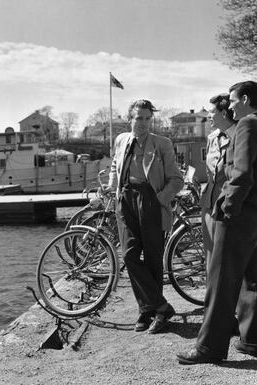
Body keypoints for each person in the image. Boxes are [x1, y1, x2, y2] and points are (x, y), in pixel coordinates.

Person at [177, 81, 257, 364]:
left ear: (245, 99)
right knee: (252, 281)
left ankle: (209, 348)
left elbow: (242, 172)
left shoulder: (247, 125)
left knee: (220, 282)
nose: (231, 105)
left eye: (234, 100)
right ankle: (251, 342)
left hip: (237, 217)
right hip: (256, 215)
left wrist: (226, 207)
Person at [106, 99, 184, 333]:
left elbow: (177, 179)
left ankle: (148, 312)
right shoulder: (121, 140)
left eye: (148, 119)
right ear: (129, 118)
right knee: (129, 255)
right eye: (139, 118)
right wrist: (112, 187)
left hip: (151, 200)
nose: (143, 123)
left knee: (152, 259)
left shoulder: (162, 143)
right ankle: (160, 306)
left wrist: (159, 199)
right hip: (126, 200)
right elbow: (114, 166)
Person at [201, 94, 236, 272]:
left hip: (228, 204)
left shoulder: (240, 135)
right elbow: (210, 172)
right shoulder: (212, 138)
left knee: (228, 256)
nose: (209, 116)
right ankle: (213, 297)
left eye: (212, 112)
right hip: (209, 204)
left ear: (224, 113)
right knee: (210, 256)